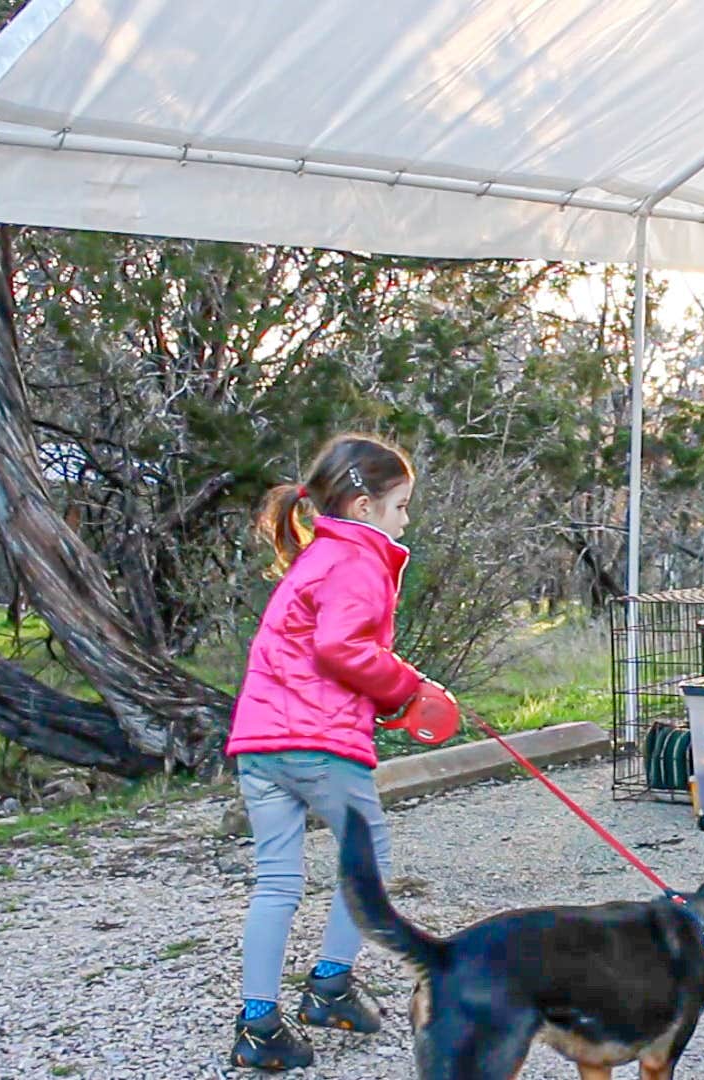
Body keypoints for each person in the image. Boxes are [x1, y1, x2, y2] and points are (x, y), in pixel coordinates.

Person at [224, 433, 459, 1071]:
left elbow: (317, 651)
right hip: (318, 742)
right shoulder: (357, 561)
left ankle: (258, 1023)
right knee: (366, 861)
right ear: (363, 506)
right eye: (400, 506)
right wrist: (407, 689)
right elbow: (341, 649)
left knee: (276, 880)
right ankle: (329, 985)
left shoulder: (314, 557)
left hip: (260, 743)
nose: (405, 519)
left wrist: (384, 697)